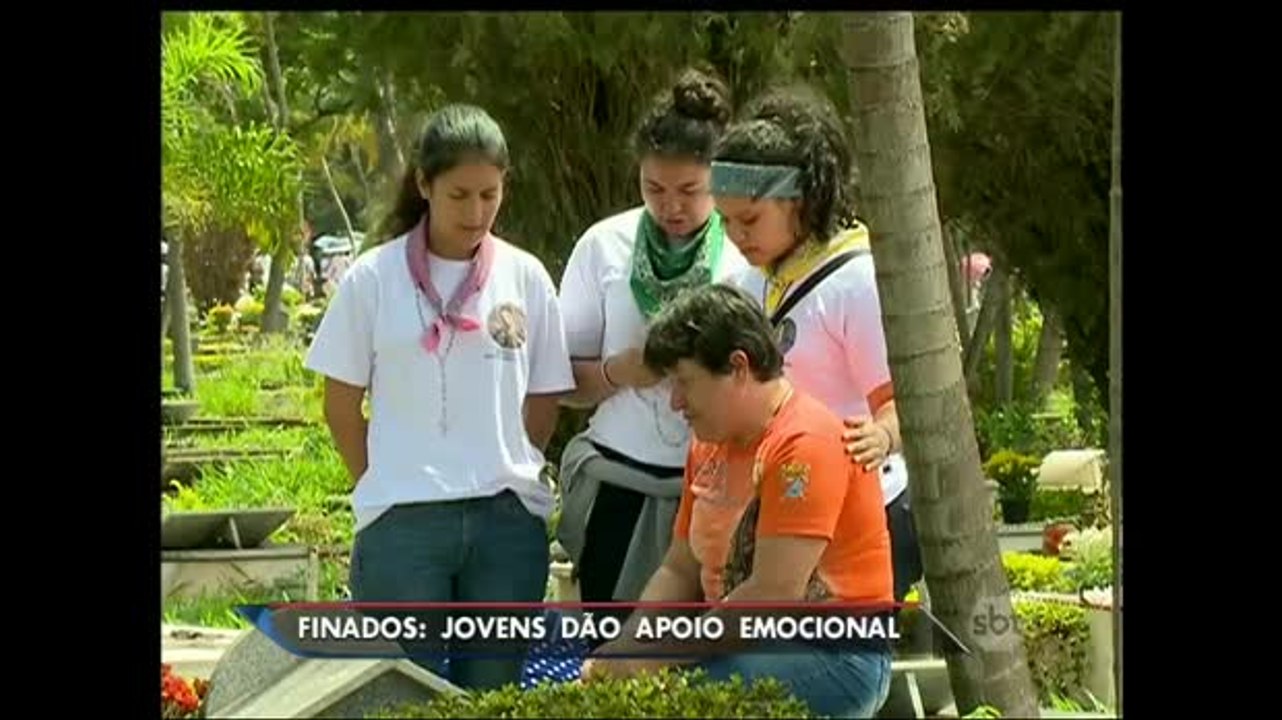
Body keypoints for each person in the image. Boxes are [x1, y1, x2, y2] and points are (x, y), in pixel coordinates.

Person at [304, 103, 575, 690]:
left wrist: (507, 459)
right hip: (403, 521)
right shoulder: (373, 280)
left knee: (495, 692)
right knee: (404, 691)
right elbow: (340, 404)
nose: (476, 212)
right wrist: (381, 482)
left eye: (489, 194)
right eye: (459, 195)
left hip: (505, 522)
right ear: (424, 185)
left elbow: (545, 396)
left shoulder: (525, 277)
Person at [581, 283, 894, 719]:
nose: (675, 403)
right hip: (744, 643)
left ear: (738, 367)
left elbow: (772, 595)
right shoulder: (706, 444)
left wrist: (658, 655)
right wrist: (627, 645)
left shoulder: (805, 442)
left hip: (837, 655)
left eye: (684, 383)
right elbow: (679, 567)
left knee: (670, 701)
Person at [709, 85, 924, 602]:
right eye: (726, 221)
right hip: (774, 511)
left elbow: (900, 403)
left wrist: (882, 436)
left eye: (751, 220)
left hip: (858, 515)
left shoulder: (857, 281)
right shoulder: (746, 284)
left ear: (800, 201)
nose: (737, 236)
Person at [555, 68, 747, 625]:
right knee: (615, 656)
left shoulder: (743, 255)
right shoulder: (603, 245)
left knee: (710, 668)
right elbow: (558, 382)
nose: (672, 207)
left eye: (690, 191)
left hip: (717, 487)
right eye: (654, 189)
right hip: (620, 485)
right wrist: (619, 373)